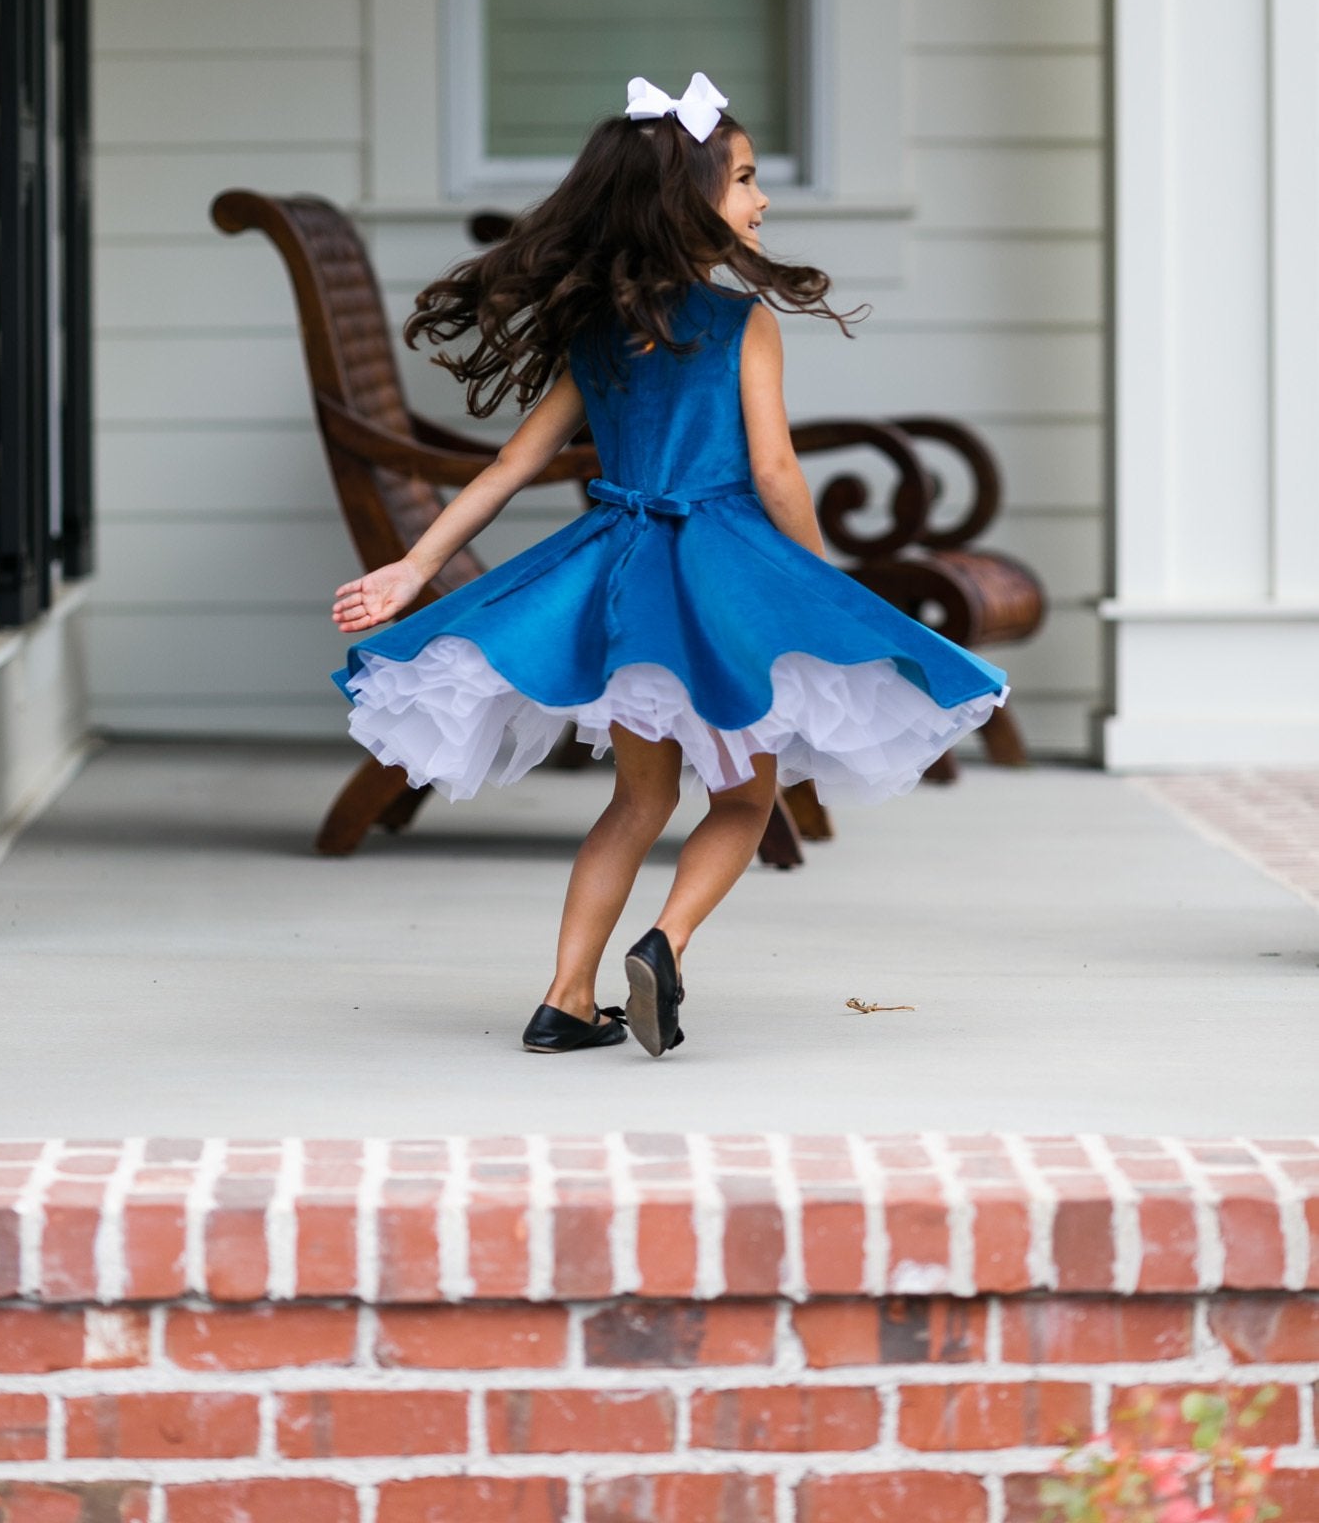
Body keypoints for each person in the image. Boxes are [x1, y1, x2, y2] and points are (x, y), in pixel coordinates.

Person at [330, 72, 1009, 1060]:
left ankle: (565, 999)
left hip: (623, 589)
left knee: (636, 800)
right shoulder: (742, 324)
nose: (761, 198)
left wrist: (412, 564)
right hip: (721, 591)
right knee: (742, 800)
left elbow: (513, 465)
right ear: (689, 199)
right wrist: (816, 589)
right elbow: (774, 472)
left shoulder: (600, 332)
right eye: (745, 178)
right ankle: (667, 940)